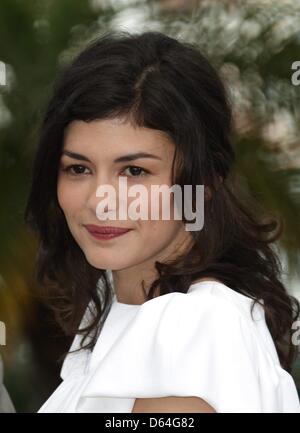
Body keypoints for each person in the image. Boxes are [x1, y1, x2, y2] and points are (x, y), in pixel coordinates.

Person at [24, 30, 300, 413]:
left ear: (202, 183)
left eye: (134, 171)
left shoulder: (189, 326)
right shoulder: (121, 313)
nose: (100, 200)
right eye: (79, 168)